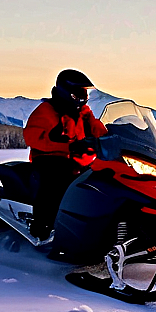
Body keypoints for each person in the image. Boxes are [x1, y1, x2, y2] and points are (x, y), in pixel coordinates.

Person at [23, 69, 108, 242]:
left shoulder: (83, 112)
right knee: (57, 180)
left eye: (85, 92)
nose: (83, 96)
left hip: (75, 160)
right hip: (49, 158)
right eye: (80, 92)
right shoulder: (46, 111)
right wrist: (66, 145)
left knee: (102, 180)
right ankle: (42, 227)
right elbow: (32, 137)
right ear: (67, 92)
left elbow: (98, 129)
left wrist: (112, 138)